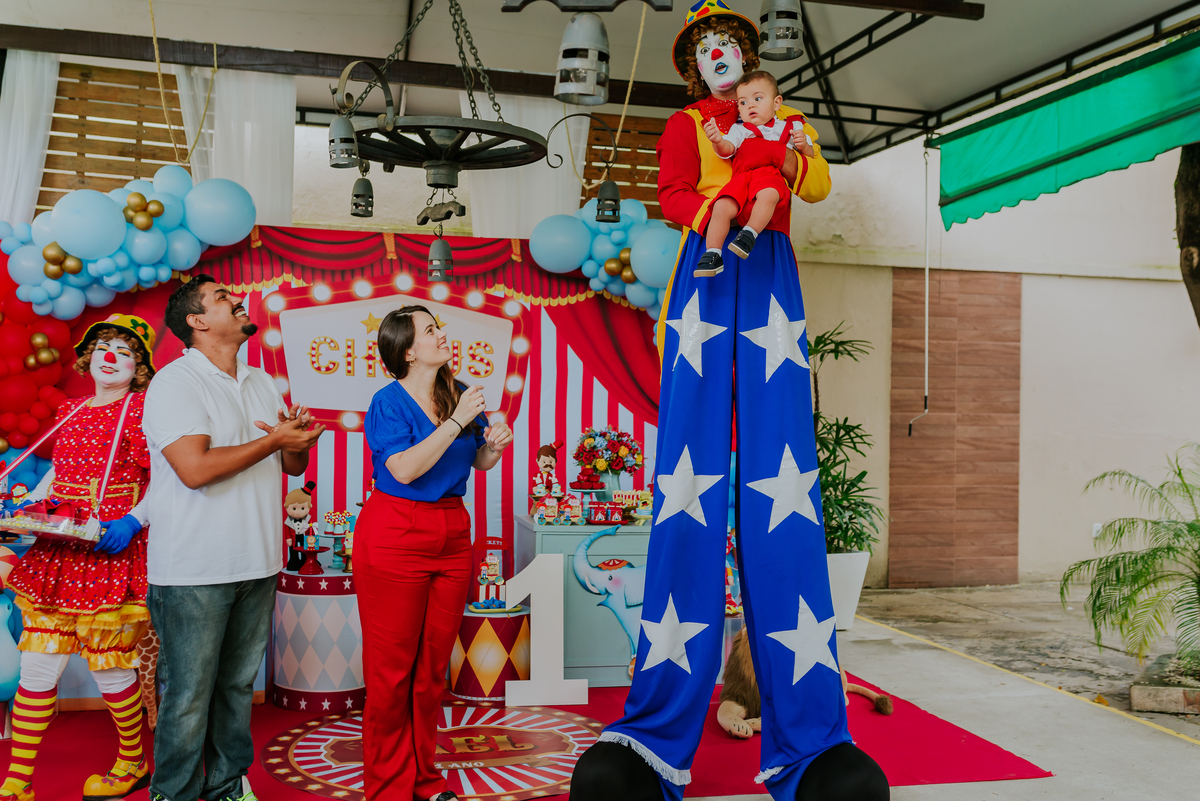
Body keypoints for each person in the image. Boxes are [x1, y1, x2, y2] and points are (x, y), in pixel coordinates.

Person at [570, 2, 889, 801]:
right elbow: (673, 193)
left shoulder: (782, 117)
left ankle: (809, 742)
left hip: (770, 269)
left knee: (785, 477)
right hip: (708, 275)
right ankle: (653, 738)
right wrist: (720, 199)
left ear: (747, 57)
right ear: (693, 64)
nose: (719, 57)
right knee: (689, 478)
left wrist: (793, 150)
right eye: (706, 49)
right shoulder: (687, 124)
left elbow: (811, 184)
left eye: (730, 47)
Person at [143, 275, 324, 801]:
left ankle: (226, 786)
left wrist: (296, 439)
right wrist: (273, 439)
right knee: (187, 696)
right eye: (222, 298)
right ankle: (173, 793)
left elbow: (292, 466)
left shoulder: (262, 380)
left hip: (257, 560)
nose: (237, 299)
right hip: (193, 569)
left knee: (237, 688)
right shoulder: (175, 383)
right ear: (197, 323)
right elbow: (195, 469)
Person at [355, 305, 513, 801]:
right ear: (407, 351)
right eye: (430, 330)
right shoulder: (388, 402)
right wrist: (457, 423)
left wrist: (495, 444)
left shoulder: (459, 392)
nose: (442, 335)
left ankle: (425, 783)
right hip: (395, 532)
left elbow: (480, 461)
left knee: (430, 672)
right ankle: (387, 790)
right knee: (391, 671)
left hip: (451, 529)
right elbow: (402, 470)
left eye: (439, 327)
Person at [0, 314, 157, 801]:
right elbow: (59, 479)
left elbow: (170, 482)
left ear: (140, 367)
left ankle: (132, 762)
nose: (112, 357)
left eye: (125, 351)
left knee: (110, 667)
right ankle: (18, 782)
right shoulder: (70, 410)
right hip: (56, 555)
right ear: (88, 358)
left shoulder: (142, 412)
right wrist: (25, 508)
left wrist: (134, 521)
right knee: (37, 669)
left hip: (108, 553)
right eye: (104, 347)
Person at [696, 70, 815, 277]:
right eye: (742, 102)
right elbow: (728, 149)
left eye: (758, 99)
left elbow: (810, 156)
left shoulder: (789, 128)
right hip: (743, 177)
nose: (750, 105)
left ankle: (749, 234)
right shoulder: (739, 130)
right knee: (722, 205)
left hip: (769, 175)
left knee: (769, 195)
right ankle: (712, 253)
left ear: (777, 103)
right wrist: (717, 140)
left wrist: (803, 145)